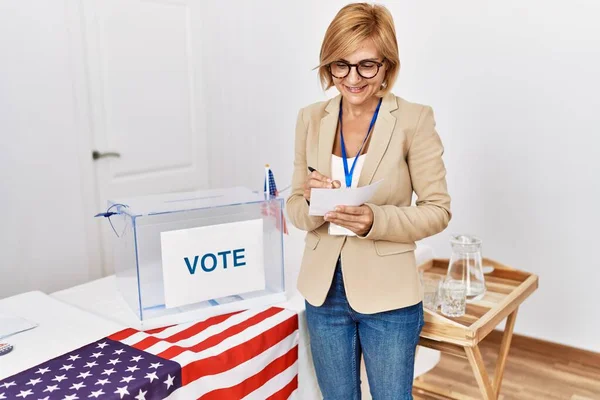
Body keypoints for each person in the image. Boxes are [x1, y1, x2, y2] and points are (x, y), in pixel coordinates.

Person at [285, 3, 452, 399]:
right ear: (328, 65)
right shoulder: (310, 118)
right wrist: (311, 201)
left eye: (367, 66)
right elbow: (293, 206)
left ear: (387, 65)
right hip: (324, 294)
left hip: (389, 296)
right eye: (340, 65)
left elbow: (438, 209)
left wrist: (375, 220)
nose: (353, 78)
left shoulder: (414, 119)